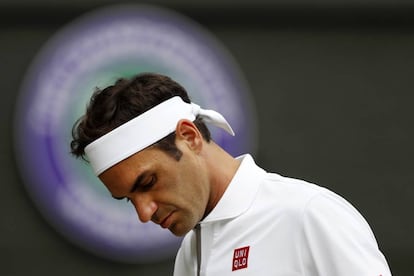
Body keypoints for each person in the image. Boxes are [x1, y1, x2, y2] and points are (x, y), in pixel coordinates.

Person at [71, 72, 392, 275]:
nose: (144, 212)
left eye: (148, 182)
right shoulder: (189, 256)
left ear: (189, 136)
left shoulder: (308, 215)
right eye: (129, 200)